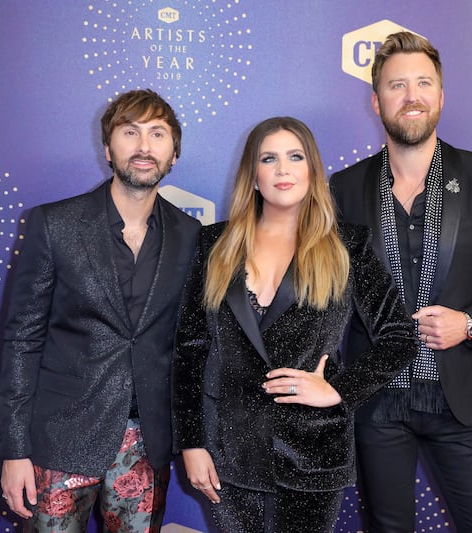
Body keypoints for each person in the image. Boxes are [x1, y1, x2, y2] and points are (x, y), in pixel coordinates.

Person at [330, 32, 472, 532]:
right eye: (396, 85)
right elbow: (327, 294)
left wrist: (470, 322)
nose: (411, 96)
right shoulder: (342, 189)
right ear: (376, 100)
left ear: (441, 96)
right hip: (377, 403)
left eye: (423, 83)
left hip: (460, 400)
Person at [172, 116, 417, 532]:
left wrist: (338, 392)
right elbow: (190, 351)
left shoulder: (348, 246)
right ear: (253, 176)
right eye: (269, 159)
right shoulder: (212, 244)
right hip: (229, 450)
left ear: (312, 171)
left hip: (313, 452)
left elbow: (400, 337)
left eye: (295, 156)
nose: (283, 169)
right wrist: (192, 442)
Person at [0, 89, 201, 532]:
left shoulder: (192, 235)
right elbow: (21, 341)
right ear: (108, 149)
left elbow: (193, 347)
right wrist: (14, 450)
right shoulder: (54, 225)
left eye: (157, 134)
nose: (144, 147)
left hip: (146, 445)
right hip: (60, 440)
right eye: (130, 132)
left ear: (174, 154)